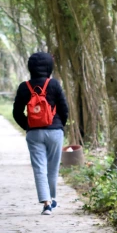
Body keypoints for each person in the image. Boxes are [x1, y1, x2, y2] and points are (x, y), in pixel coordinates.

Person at [13, 52, 69, 215]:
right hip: (55, 131)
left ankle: (46, 202)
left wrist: (28, 126)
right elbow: (64, 108)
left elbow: (16, 112)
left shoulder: (24, 87)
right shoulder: (54, 84)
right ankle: (52, 198)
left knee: (39, 168)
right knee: (52, 168)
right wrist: (59, 125)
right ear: (49, 67)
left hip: (34, 134)